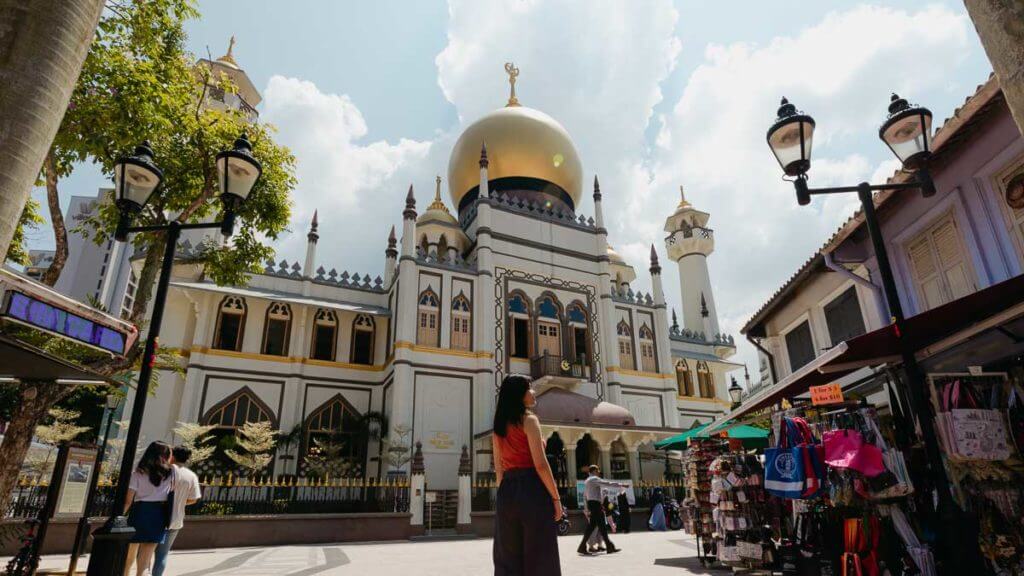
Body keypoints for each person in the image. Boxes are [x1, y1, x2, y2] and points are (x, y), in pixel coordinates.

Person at [492, 374, 562, 575]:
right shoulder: (529, 420)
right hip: (531, 488)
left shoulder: (499, 425)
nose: (533, 392)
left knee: (508, 558)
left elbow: (499, 468)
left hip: (507, 491)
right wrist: (556, 499)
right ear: (520, 395)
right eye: (529, 388)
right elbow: (540, 465)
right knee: (540, 555)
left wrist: (504, 496)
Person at [123, 441, 173, 576]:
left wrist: (120, 516)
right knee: (145, 560)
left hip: (139, 512)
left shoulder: (138, 472)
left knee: (129, 556)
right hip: (159, 514)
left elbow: (128, 500)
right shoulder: (170, 474)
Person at [152, 445, 203, 576]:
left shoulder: (164, 470)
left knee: (144, 551)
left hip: (155, 516)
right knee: (162, 555)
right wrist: (180, 502)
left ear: (172, 456)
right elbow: (194, 499)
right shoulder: (191, 476)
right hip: (175, 520)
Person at [577, 466, 624, 556]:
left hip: (592, 504)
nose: (599, 472)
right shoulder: (594, 478)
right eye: (598, 471)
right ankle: (609, 546)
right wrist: (620, 484)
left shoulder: (587, 480)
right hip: (595, 504)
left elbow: (585, 496)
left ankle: (582, 546)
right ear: (594, 471)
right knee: (601, 526)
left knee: (592, 527)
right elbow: (607, 483)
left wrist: (587, 508)